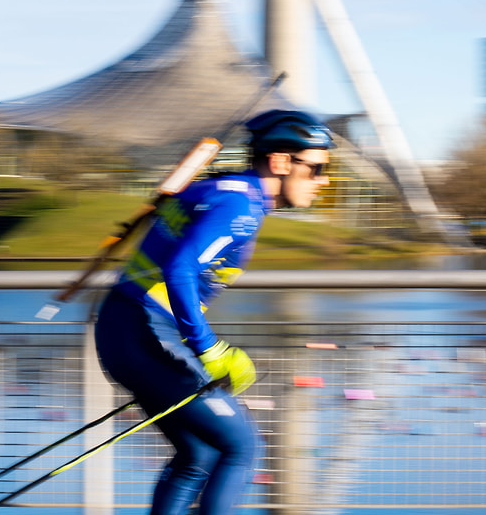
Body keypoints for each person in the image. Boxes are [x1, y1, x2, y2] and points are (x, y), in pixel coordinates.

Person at [94, 109, 333, 514]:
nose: (324, 181)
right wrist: (210, 348)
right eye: (317, 168)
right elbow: (181, 268)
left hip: (125, 328)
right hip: (145, 331)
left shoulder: (222, 189)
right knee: (241, 446)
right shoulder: (240, 207)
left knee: (198, 457)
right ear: (279, 162)